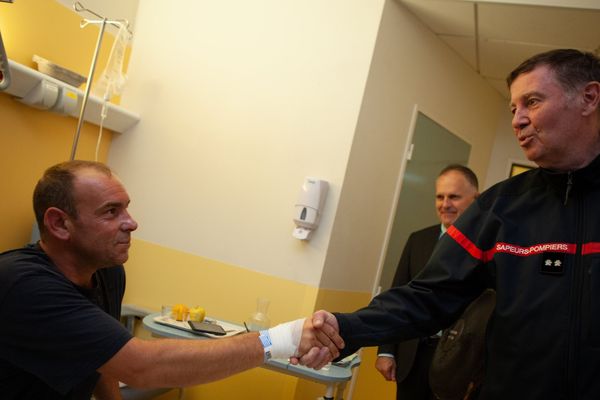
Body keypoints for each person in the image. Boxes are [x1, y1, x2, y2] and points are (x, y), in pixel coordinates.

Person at [297, 49, 600, 399]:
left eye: (532, 102)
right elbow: (428, 296)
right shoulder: (500, 208)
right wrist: (344, 328)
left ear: (588, 98)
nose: (518, 120)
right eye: (513, 109)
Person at [0, 160, 343, 400]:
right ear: (60, 224)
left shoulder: (106, 273)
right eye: (110, 211)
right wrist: (284, 338)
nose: (131, 223)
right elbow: (140, 366)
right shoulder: (24, 285)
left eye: (127, 208)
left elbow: (105, 359)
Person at [376, 165, 478, 400]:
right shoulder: (418, 240)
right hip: (413, 356)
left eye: (454, 196)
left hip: (458, 362)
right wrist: (386, 351)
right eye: (440, 196)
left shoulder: (487, 248)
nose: (445, 204)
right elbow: (397, 297)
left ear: (476, 199)